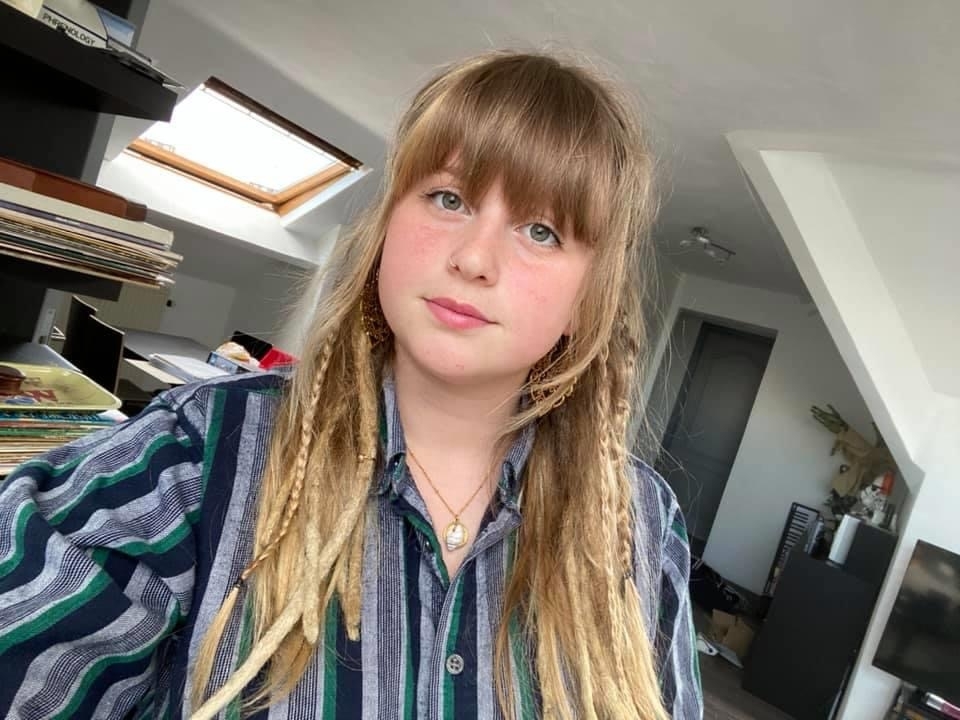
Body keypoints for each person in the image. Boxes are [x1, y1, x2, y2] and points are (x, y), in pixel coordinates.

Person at [0, 51, 702, 719]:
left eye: (542, 231)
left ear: (588, 299)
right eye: (449, 198)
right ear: (388, 225)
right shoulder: (192, 456)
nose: (473, 258)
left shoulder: (640, 524)